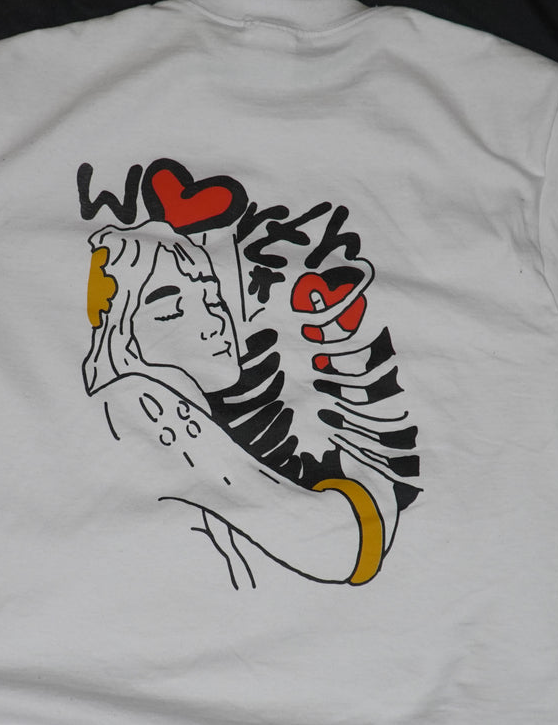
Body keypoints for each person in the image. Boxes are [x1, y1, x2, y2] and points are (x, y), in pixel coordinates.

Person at [83, 219, 398, 588]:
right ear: (120, 332)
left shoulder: (163, 412)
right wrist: (369, 493)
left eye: (212, 299)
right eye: (170, 311)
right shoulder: (136, 404)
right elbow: (341, 546)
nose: (213, 321)